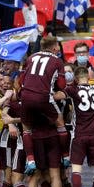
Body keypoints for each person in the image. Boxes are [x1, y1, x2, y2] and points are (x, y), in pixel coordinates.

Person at [19, 36, 66, 177]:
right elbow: (62, 85)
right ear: (54, 47)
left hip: (26, 96)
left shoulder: (31, 58)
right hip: (43, 96)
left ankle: (31, 160)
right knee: (60, 122)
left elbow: (21, 80)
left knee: (26, 127)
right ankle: (66, 156)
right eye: (57, 45)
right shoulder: (57, 61)